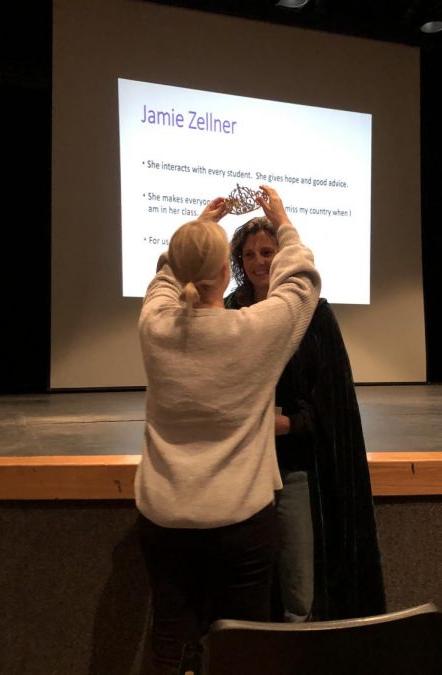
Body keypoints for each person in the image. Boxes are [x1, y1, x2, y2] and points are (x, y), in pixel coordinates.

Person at [135, 186, 321, 675]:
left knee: (169, 640)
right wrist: (281, 220)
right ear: (227, 271)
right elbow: (300, 283)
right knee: (242, 647)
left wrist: (198, 227)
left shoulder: (154, 326)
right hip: (241, 522)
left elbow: (163, 278)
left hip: (165, 519)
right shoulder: (254, 331)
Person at [225, 216, 386, 622]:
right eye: (249, 254)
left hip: (294, 467)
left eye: (268, 252)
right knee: (244, 589)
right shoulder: (228, 312)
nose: (259, 261)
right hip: (240, 471)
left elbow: (330, 399)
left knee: (300, 590)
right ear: (238, 261)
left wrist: (291, 424)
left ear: (283, 256)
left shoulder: (312, 315)